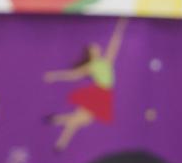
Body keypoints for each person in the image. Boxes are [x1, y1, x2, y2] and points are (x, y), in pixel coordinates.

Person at [44, 18, 126, 152]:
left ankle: (57, 121)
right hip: (99, 93)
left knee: (82, 120)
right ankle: (60, 141)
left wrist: (120, 26)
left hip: (104, 94)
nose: (97, 47)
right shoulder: (91, 66)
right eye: (94, 47)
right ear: (91, 52)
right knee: (78, 120)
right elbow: (73, 75)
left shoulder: (106, 60)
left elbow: (115, 43)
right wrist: (55, 76)